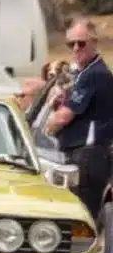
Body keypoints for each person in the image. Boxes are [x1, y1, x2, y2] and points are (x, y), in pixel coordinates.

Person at [45, 19, 113, 220]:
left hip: (88, 156)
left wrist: (47, 126)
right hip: (80, 154)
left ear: (94, 42)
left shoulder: (95, 74)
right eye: (71, 44)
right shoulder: (82, 74)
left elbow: (64, 117)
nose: (75, 48)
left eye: (81, 43)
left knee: (81, 217)